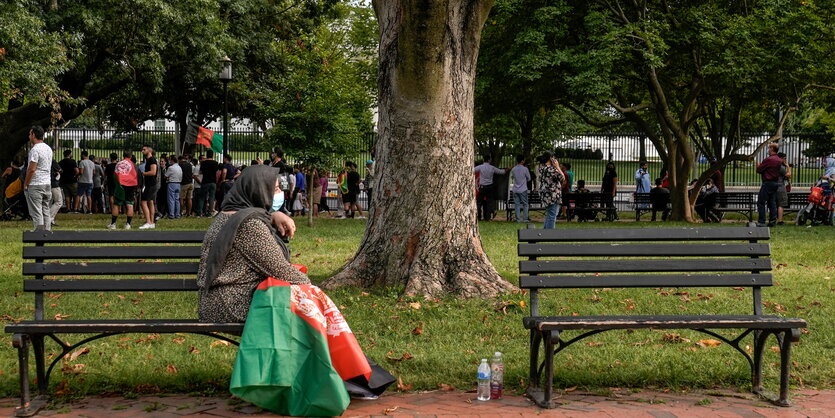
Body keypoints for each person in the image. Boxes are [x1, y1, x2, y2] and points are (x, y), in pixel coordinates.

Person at [197, 164, 391, 414]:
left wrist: (273, 215)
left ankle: (338, 374)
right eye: (275, 188)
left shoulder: (230, 215)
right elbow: (284, 271)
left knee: (307, 303)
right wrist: (310, 287)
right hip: (232, 304)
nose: (280, 193)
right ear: (259, 190)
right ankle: (334, 378)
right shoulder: (250, 226)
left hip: (218, 300)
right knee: (309, 303)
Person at [23, 126, 54, 231]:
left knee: (36, 211)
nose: (29, 136)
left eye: (30, 134)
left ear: (34, 135)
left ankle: (39, 233)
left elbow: (32, 169)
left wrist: (26, 183)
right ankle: (47, 231)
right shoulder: (48, 148)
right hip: (47, 183)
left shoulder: (35, 150)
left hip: (36, 184)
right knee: (46, 209)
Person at [755, 143, 782, 227]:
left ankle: (762, 221)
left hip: (767, 183)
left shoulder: (768, 159)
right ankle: (772, 220)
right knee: (772, 202)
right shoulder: (778, 159)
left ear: (772, 149)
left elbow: (759, 170)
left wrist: (758, 166)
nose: (768, 150)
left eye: (769, 148)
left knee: (761, 202)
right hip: (775, 183)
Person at [537, 151, 565, 229]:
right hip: (553, 196)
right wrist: (558, 167)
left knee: (549, 215)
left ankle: (545, 233)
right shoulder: (551, 169)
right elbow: (562, 178)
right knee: (552, 216)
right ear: (551, 158)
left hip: (546, 195)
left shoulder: (542, 168)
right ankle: (549, 234)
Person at [473, 155, 506, 221]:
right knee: (489, 203)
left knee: (479, 202)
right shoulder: (492, 168)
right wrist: (506, 170)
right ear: (489, 160)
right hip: (490, 187)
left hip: (482, 187)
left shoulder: (480, 167)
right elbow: (501, 172)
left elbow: (472, 170)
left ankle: (477, 216)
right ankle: (487, 218)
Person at [139, 145, 159, 229]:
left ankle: (148, 222)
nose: (142, 151)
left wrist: (143, 173)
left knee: (143, 202)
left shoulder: (152, 160)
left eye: (144, 149)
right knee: (150, 202)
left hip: (150, 184)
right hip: (150, 184)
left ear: (149, 150)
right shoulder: (149, 160)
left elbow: (153, 172)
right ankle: (152, 222)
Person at [197, 150, 219, 217]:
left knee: (202, 197)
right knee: (211, 197)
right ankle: (210, 213)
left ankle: (199, 213)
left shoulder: (204, 163)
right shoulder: (215, 163)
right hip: (213, 182)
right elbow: (217, 172)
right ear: (212, 155)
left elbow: (200, 172)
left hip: (205, 181)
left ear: (207, 155)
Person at [510, 155, 531, 223]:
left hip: (515, 189)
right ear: (522, 161)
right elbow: (529, 178)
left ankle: (518, 219)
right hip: (523, 189)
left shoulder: (513, 169)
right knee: (525, 204)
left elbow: (512, 177)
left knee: (517, 204)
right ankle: (525, 219)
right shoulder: (525, 169)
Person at [775, 152, 792, 225]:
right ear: (781, 158)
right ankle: (780, 220)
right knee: (781, 204)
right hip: (780, 188)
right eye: (784, 158)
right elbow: (788, 175)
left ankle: (773, 219)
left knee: (774, 204)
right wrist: (788, 166)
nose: (785, 160)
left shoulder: (773, 165)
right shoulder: (780, 167)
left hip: (773, 186)